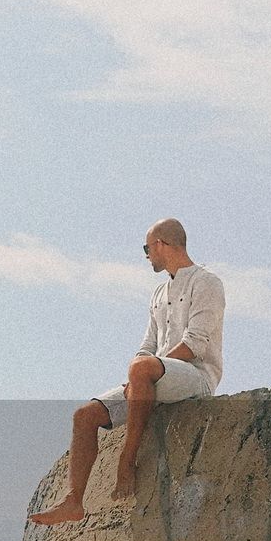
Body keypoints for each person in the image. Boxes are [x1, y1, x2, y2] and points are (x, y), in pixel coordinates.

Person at [29, 218, 224, 523]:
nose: (146, 255)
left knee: (142, 368)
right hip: (154, 375)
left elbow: (195, 345)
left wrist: (146, 369)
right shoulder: (158, 294)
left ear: (161, 244)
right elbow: (146, 346)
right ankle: (73, 502)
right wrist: (137, 374)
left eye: (147, 248)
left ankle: (127, 459)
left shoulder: (206, 282)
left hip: (195, 376)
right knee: (84, 416)